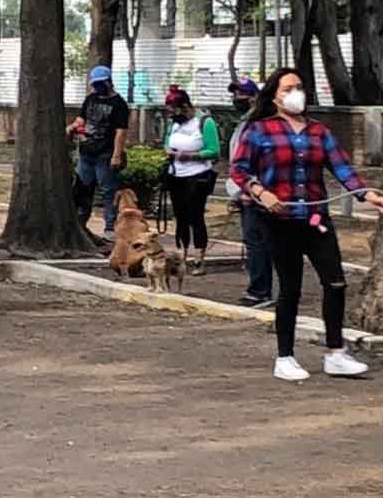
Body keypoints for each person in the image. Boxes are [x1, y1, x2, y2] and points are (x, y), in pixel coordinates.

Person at [231, 67, 383, 381]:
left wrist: (365, 193)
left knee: (336, 283)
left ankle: (336, 353)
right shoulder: (259, 130)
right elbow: (239, 170)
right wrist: (261, 192)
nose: (295, 93)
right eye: (287, 88)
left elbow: (341, 167)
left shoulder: (319, 132)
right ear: (273, 95)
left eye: (299, 87)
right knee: (290, 289)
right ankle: (285, 357)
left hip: (316, 220)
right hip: (278, 221)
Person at [225, 78, 274, 307]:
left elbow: (260, 161)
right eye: (235, 95)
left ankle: (260, 291)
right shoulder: (244, 123)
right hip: (245, 192)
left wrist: (249, 190)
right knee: (255, 241)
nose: (237, 99)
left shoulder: (261, 124)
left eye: (242, 95)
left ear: (255, 97)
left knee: (259, 242)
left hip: (258, 193)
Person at [163, 87, 220, 276]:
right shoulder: (175, 124)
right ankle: (182, 255)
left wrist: (190, 156)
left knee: (196, 216)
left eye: (174, 110)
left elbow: (214, 150)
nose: (172, 115)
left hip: (198, 176)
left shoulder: (205, 122)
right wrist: (169, 151)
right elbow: (167, 141)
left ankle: (199, 256)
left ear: (185, 106)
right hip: (176, 174)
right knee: (180, 217)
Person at [67, 65, 128, 240]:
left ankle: (110, 227)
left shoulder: (119, 104)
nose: (97, 87)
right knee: (82, 189)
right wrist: (73, 127)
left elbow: (120, 131)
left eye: (100, 84)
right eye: (95, 84)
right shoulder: (91, 99)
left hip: (105, 153)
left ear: (108, 82)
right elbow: (81, 119)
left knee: (108, 190)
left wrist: (117, 154)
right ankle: (80, 223)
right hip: (86, 152)